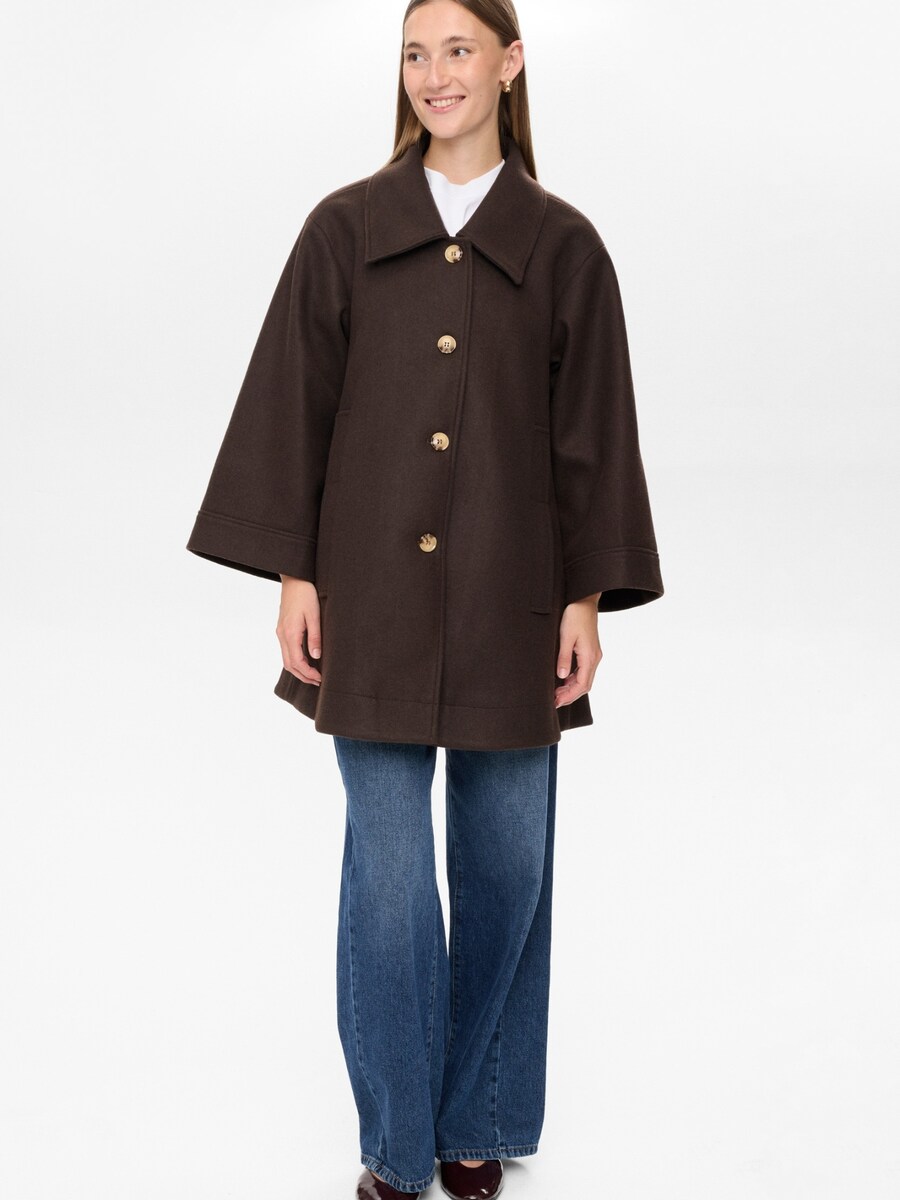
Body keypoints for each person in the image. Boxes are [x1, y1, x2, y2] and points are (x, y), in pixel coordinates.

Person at [186, 1, 664, 1196]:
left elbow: (593, 434)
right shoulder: (344, 230)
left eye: (459, 50)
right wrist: (295, 573)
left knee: (508, 869)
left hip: (516, 600)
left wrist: (585, 599)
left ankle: (478, 1119)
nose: (434, 74)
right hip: (370, 598)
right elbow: (293, 405)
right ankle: (397, 1144)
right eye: (415, 53)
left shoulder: (564, 246)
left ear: (509, 64)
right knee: (390, 877)